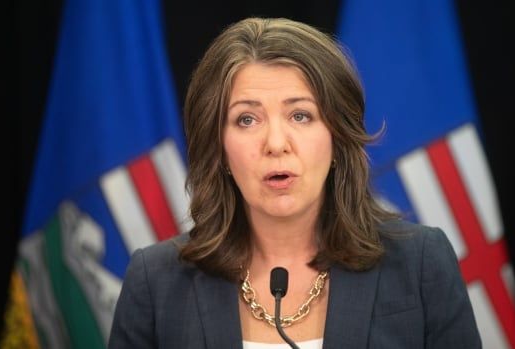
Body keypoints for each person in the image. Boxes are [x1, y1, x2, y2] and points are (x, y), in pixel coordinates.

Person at [108, 17, 481, 349]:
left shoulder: (419, 263)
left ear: (338, 136)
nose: (275, 143)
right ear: (218, 148)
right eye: (246, 120)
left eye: (300, 115)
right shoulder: (156, 281)